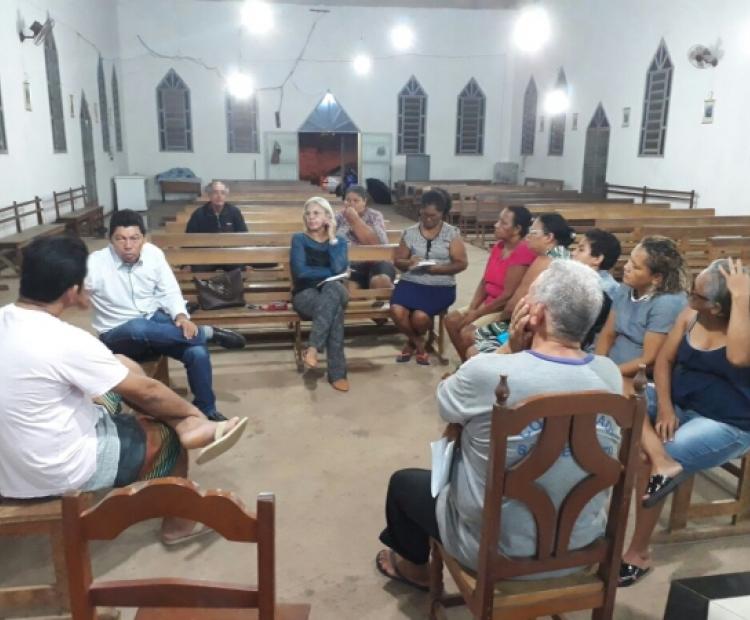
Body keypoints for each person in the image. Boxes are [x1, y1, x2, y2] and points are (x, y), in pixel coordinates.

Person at [375, 260, 622, 590]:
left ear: (535, 313)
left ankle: (415, 570)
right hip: (581, 547)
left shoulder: (489, 373)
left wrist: (506, 350)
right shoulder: (609, 375)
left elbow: (446, 405)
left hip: (494, 552)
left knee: (404, 484)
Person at [0, 236, 247, 544]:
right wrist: (194, 413)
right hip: (51, 470)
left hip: (8, 461)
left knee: (120, 363)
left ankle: (187, 425)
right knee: (166, 438)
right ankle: (179, 522)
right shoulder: (65, 339)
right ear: (72, 291)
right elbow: (148, 392)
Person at [619, 258, 750, 587]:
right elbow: (664, 361)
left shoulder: (744, 329)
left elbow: (737, 358)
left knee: (655, 459)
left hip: (728, 422)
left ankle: (637, 554)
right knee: (619, 387)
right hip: (678, 404)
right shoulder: (691, 314)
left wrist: (741, 299)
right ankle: (656, 457)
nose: (688, 297)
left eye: (697, 294)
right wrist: (665, 408)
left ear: (718, 308)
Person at [86, 210, 246, 422]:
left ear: (144, 238)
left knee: (196, 352)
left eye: (134, 238)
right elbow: (73, 292)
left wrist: (181, 316)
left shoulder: (153, 254)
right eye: (120, 239)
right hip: (118, 332)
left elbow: (169, 290)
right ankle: (206, 333)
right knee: (138, 326)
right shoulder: (95, 263)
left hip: (155, 321)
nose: (128, 245)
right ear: (110, 240)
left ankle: (206, 409)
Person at [472, 212, 575, 355]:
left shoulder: (545, 260)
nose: (527, 237)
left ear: (548, 237)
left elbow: (515, 304)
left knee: (472, 340)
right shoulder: (564, 254)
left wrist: (496, 320)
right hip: (549, 325)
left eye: (533, 232)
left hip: (532, 328)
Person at [445, 206, 535, 361]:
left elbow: (507, 296)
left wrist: (477, 313)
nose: (496, 225)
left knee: (467, 333)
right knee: (451, 320)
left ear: (517, 229)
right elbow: (484, 281)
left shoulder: (522, 251)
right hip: (488, 302)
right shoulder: (499, 246)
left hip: (502, 309)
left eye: (503, 223)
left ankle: (472, 368)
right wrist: (473, 307)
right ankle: (465, 365)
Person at [391, 189, 468, 365]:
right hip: (411, 282)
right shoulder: (410, 232)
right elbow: (398, 261)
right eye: (424, 214)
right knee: (396, 310)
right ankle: (419, 343)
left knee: (420, 317)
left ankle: (412, 343)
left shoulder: (451, 233)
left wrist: (438, 269)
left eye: (433, 216)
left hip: (440, 286)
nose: (428, 219)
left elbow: (461, 263)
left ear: (442, 214)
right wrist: (409, 262)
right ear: (421, 210)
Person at [596, 235, 688, 377]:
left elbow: (649, 359)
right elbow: (608, 333)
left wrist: (609, 375)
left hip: (638, 377)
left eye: (635, 267)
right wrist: (598, 365)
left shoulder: (667, 304)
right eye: (629, 260)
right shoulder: (627, 287)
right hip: (610, 368)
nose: (626, 267)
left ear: (656, 278)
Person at [290, 197, 350, 392]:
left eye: (316, 213)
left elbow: (339, 268)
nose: (311, 217)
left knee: (332, 288)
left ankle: (313, 347)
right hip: (305, 293)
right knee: (334, 310)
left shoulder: (339, 241)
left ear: (327, 217)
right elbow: (301, 272)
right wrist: (331, 273)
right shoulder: (299, 239)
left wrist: (332, 238)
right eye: (308, 214)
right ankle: (338, 374)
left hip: (335, 290)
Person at [335, 184, 396, 291]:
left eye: (356, 200)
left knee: (381, 281)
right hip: (351, 266)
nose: (351, 204)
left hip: (377, 264)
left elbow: (381, 244)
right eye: (348, 200)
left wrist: (355, 220)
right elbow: (335, 242)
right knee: (349, 288)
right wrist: (346, 223)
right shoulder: (339, 217)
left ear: (364, 201)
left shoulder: (375, 216)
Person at [572, 227, 622, 349]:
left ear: (597, 258)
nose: (573, 253)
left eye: (581, 249)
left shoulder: (602, 290)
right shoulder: (584, 280)